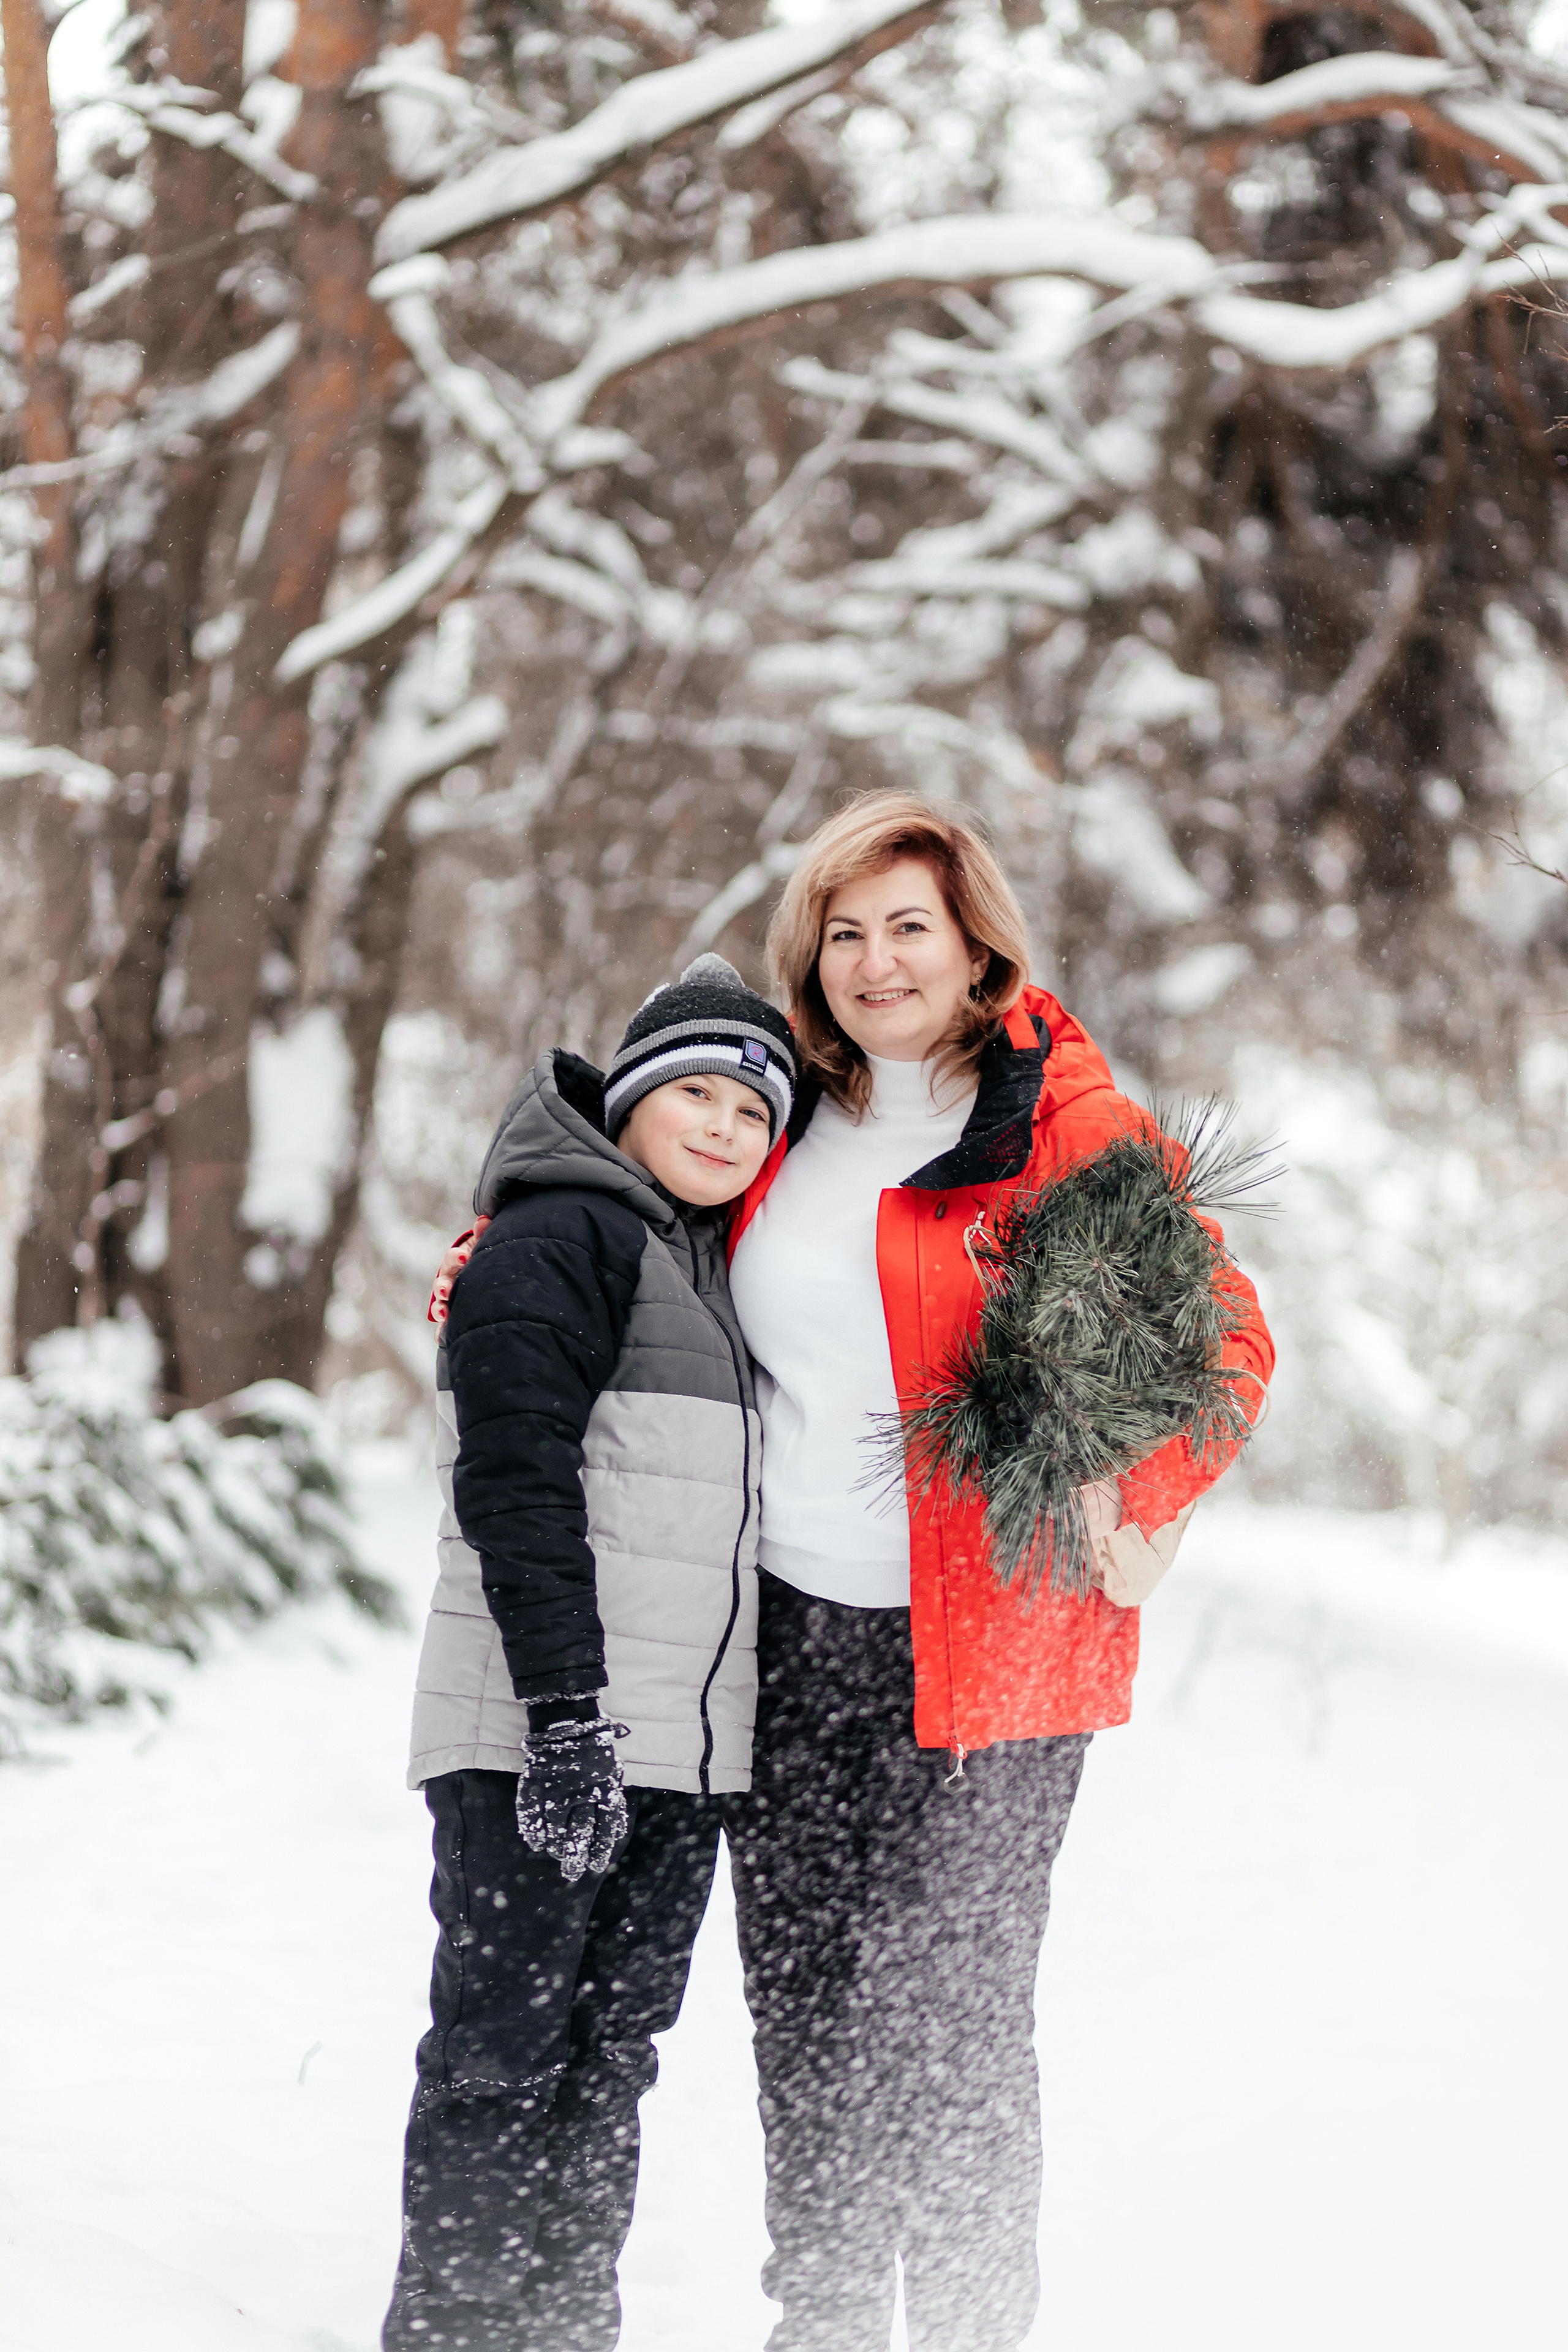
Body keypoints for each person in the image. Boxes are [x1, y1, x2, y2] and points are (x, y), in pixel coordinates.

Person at [720, 792, 1276, 2352]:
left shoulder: (1061, 1122)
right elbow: (630, 1223)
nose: (876, 960)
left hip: (999, 1650)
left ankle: (969, 2331)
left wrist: (1123, 1492)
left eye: (909, 925)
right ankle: (820, 2322)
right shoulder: (774, 1114)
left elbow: (1229, 1340)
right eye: (844, 932)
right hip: (786, 1632)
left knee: (948, 2025)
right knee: (809, 2012)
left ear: (975, 943)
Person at [383, 954, 797, 2352]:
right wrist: (567, 1717)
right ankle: (453, 2332)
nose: (724, 1130)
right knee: (500, 2059)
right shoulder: (560, 1236)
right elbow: (512, 1480)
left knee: (609, 2064)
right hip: (537, 1735)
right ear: (625, 1100)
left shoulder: (711, 1270)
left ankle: (563, 2329)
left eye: (752, 1113)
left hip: (671, 1759)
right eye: (693, 1093)